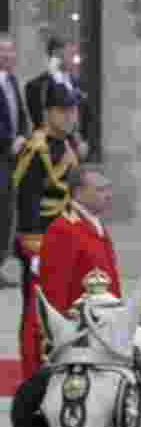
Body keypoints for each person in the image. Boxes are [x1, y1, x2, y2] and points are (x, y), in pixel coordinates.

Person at [14, 83, 78, 377]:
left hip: (64, 239)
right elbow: (27, 198)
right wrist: (32, 247)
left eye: (72, 110)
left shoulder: (67, 145)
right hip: (39, 241)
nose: (69, 117)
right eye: (63, 111)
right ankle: (31, 370)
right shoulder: (36, 147)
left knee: (64, 307)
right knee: (35, 312)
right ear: (48, 113)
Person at [38, 165, 119, 316]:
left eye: (109, 188)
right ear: (78, 192)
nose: (108, 195)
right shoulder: (63, 230)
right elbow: (55, 292)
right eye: (100, 190)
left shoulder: (94, 223)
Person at [25, 37, 90, 159]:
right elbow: (39, 120)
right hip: (48, 152)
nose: (75, 59)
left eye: (75, 54)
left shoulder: (77, 84)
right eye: (70, 54)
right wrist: (53, 74)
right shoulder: (36, 86)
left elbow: (86, 115)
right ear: (56, 54)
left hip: (75, 151)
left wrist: (83, 140)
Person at [0, 34, 30, 280]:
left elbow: (20, 115)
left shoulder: (11, 80)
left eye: (11, 51)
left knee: (7, 213)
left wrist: (22, 136)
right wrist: (9, 141)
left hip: (12, 160)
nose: (9, 55)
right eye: (3, 51)